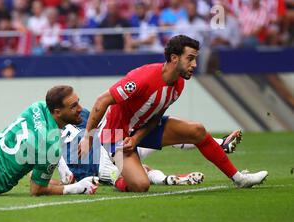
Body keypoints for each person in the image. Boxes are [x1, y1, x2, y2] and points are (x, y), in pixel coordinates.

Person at [78, 35, 268, 192]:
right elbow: (102, 101)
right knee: (141, 185)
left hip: (141, 130)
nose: (194, 64)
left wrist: (136, 139)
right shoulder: (142, 79)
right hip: (115, 134)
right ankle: (117, 179)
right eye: (190, 58)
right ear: (174, 58)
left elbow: (154, 119)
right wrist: (87, 136)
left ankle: (239, 178)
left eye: (195, 59)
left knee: (197, 131)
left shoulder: (178, 83)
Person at [59, 108, 242, 186]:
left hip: (100, 167)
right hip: (113, 146)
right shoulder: (78, 114)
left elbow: (67, 177)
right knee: (166, 139)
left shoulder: (48, 140)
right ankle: (219, 143)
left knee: (133, 176)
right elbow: (100, 124)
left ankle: (165, 179)